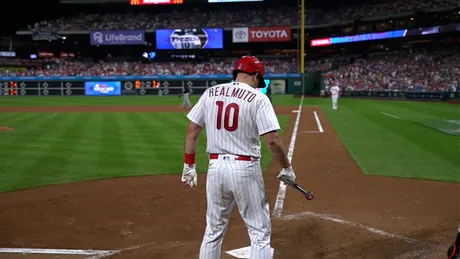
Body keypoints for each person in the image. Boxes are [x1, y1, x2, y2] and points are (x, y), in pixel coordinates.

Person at [181, 55, 296, 259]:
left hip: (215, 168)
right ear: (255, 76)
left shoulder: (211, 93)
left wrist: (189, 165)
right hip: (245, 169)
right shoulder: (258, 98)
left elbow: (192, 131)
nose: (259, 85)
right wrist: (286, 168)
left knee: (213, 231)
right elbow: (272, 140)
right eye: (259, 81)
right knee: (259, 233)